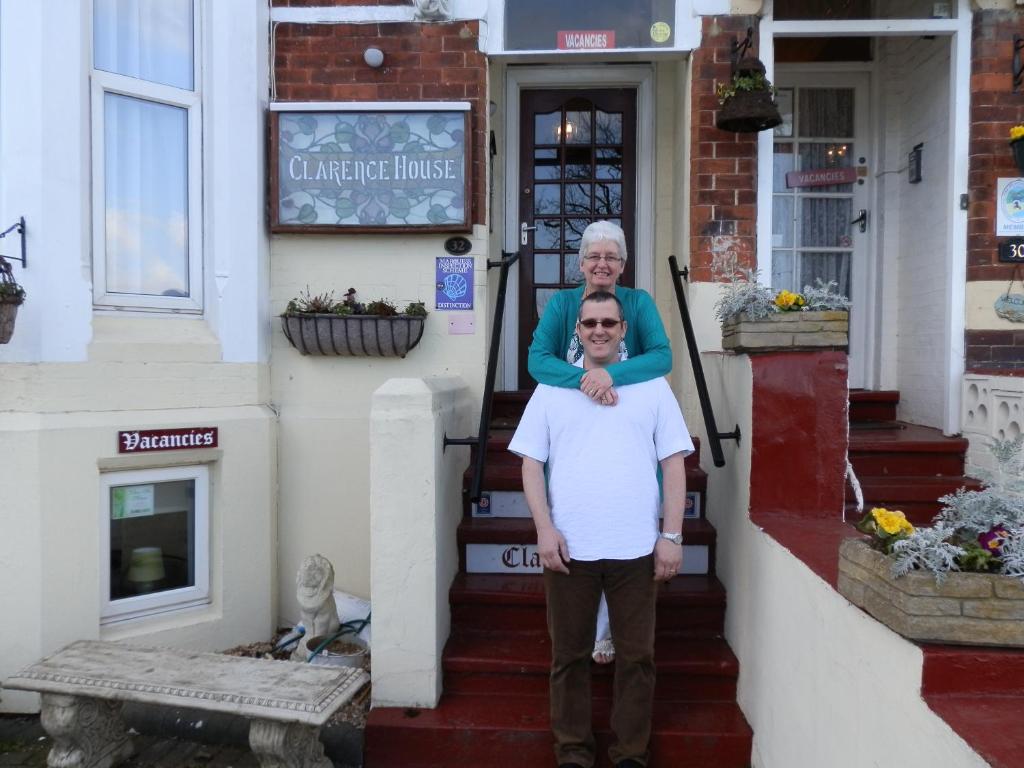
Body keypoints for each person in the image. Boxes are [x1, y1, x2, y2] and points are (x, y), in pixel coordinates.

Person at [510, 291, 693, 768]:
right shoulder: (551, 389)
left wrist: (670, 536)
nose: (598, 330)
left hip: (635, 549)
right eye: (589, 322)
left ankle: (630, 754)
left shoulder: (652, 386)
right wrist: (543, 530)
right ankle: (572, 752)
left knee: (637, 659)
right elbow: (531, 464)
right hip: (570, 549)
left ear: (623, 330)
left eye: (608, 322)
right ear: (577, 329)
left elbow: (673, 463)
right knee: (568, 657)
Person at [527, 220, 673, 663]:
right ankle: (582, 631)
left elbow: (661, 356)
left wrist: (612, 375)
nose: (602, 264)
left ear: (623, 265)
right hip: (578, 439)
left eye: (612, 257)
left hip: (630, 439)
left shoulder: (638, 303)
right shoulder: (563, 305)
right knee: (580, 535)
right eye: (594, 256)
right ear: (581, 263)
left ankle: (611, 631)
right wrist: (586, 381)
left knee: (629, 535)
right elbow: (538, 359)